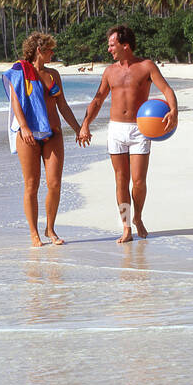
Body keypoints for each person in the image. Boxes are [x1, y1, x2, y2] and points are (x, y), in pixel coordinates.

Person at [77, 25, 178, 243]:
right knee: (120, 181)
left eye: (112, 45)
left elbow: (167, 90)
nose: (109, 49)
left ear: (125, 45)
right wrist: (85, 124)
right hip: (116, 129)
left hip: (140, 129)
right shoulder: (109, 71)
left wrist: (174, 111)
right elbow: (97, 100)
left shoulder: (146, 66)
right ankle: (125, 226)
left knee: (138, 181)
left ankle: (138, 217)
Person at [4, 32, 88, 247]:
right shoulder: (19, 72)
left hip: (53, 133)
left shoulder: (54, 74)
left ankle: (50, 228)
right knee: (31, 185)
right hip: (28, 135)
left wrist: (78, 128)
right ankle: (34, 233)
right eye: (50, 49)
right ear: (39, 51)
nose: (53, 53)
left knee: (54, 184)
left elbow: (63, 105)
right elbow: (16, 102)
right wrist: (23, 127)